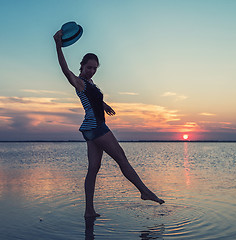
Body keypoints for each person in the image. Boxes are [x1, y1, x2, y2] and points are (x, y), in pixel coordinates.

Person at [53, 30, 164, 218]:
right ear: (82, 66)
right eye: (89, 67)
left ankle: (89, 211)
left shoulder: (90, 83)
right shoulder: (79, 82)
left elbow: (92, 98)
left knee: (93, 168)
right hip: (96, 126)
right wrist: (57, 44)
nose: (92, 70)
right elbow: (65, 71)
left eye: (95, 68)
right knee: (121, 158)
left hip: (90, 129)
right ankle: (144, 192)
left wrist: (103, 104)